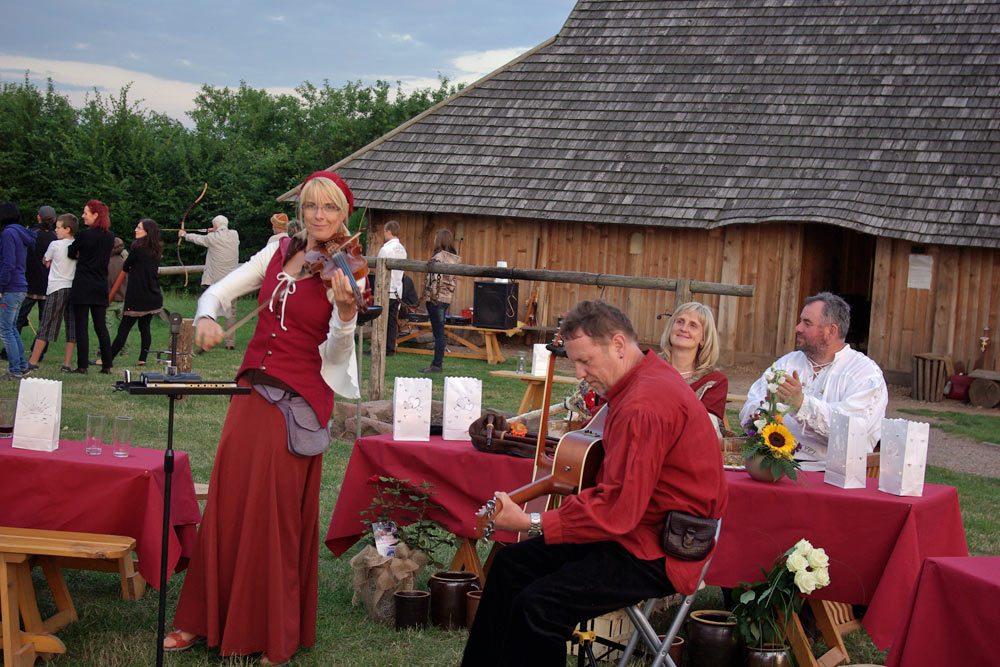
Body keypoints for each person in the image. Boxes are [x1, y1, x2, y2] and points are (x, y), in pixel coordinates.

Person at [462, 299, 728, 666]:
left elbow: (620, 509)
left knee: (539, 607)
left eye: (586, 361)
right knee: (510, 567)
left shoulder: (645, 403)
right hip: (631, 532)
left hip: (660, 550)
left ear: (619, 345)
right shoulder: (639, 382)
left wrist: (531, 522)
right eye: (576, 362)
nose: (580, 373)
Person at [164, 171, 361, 665]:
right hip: (250, 392)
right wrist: (206, 315)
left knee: (271, 514)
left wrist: (345, 315)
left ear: (344, 216)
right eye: (312, 206)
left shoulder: (347, 270)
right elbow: (220, 291)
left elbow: (338, 353)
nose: (319, 216)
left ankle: (273, 630)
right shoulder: (277, 251)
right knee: (228, 502)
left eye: (330, 209)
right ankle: (201, 618)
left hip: (297, 401)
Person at [739, 292, 888, 471]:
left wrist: (802, 405)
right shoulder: (788, 363)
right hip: (775, 467)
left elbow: (851, 431)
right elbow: (750, 407)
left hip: (835, 474)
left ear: (831, 331)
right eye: (800, 321)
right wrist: (769, 410)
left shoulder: (864, 374)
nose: (797, 328)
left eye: (807, 323)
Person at [660, 301, 728, 435]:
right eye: (679, 322)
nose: (683, 328)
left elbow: (705, 428)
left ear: (703, 338)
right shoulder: (649, 367)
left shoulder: (714, 381)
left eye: (693, 325)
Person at [68, 199, 115, 374]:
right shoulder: (110, 236)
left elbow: (71, 252)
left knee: (82, 326)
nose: (83, 216)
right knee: (100, 326)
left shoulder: (83, 235)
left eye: (86, 213)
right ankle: (107, 365)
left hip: (83, 284)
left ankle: (82, 366)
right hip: (100, 284)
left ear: (95, 215)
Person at [27, 214, 79, 373]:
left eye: (58, 227)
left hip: (57, 287)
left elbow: (45, 260)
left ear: (67, 229)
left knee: (47, 324)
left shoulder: (55, 245)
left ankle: (33, 361)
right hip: (73, 287)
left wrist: (49, 261)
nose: (55, 230)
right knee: (72, 326)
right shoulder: (77, 244)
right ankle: (67, 364)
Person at [108, 219, 163, 366]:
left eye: (139, 228)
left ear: (147, 232)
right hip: (152, 295)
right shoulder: (156, 248)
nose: (135, 230)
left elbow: (126, 265)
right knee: (144, 328)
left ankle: (108, 360)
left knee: (124, 329)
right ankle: (142, 359)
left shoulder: (137, 247)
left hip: (138, 296)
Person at [180, 214, 239, 349]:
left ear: (215, 226)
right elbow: (219, 234)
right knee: (231, 313)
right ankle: (230, 343)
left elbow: (199, 239)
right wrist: (215, 229)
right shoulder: (234, 235)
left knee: (211, 310)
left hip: (216, 282)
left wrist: (184, 235)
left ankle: (209, 340)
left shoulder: (212, 238)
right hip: (233, 281)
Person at [0, 201, 35, 379]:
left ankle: (15, 370)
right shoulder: (20, 232)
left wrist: (1, 285)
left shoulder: (8, 234)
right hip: (20, 285)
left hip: (11, 287)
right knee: (12, 327)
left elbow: (8, 262)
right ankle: (21, 365)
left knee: (5, 328)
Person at [17, 205, 57, 352]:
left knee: (18, 320)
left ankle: (11, 350)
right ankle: (38, 353)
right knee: (44, 323)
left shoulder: (31, 234)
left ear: (38, 217)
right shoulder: (56, 237)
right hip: (48, 286)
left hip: (29, 284)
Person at [420, 228, 460, 373]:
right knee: (439, 332)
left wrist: (431, 296)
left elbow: (434, 280)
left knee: (438, 333)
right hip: (446, 298)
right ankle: (436, 363)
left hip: (436, 298)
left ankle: (437, 365)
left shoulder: (439, 257)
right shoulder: (454, 258)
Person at [376, 220, 406, 356]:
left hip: (386, 288)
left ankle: (379, 346)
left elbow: (379, 269)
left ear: (388, 232)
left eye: (384, 232)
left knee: (381, 320)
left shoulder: (385, 249)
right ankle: (389, 348)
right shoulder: (402, 249)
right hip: (397, 289)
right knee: (392, 321)